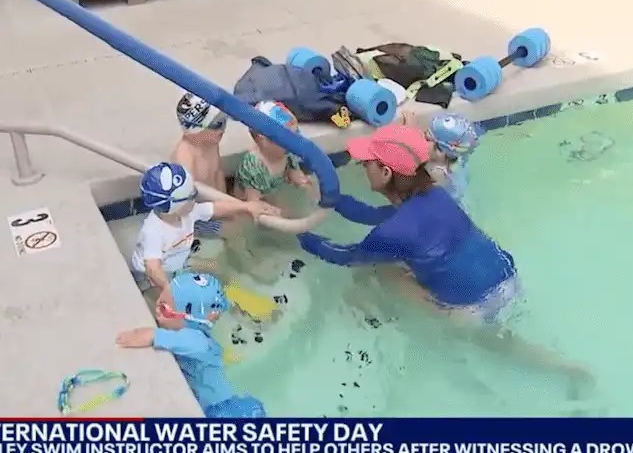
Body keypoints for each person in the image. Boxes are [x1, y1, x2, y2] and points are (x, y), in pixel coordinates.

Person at [295, 124, 591, 385]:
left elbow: (343, 256)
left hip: (471, 309)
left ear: (385, 172)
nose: (362, 167)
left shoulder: (392, 233)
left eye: (367, 163)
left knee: (380, 272)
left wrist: (298, 234)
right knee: (499, 337)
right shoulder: (436, 195)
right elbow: (372, 214)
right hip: (506, 277)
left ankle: (560, 367)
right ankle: (565, 367)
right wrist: (325, 197)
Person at [116, 272, 266, 418]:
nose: (157, 309)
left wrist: (155, 335)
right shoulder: (192, 330)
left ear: (190, 319)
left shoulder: (197, 340)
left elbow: (193, 343)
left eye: (165, 309)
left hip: (221, 409)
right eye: (160, 300)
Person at [131, 162, 279, 309]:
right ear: (174, 206)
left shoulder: (188, 211)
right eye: (191, 195)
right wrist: (170, 290)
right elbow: (152, 269)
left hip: (178, 263)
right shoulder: (154, 231)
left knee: (217, 268)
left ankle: (232, 298)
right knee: (173, 309)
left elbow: (216, 208)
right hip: (152, 279)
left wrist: (246, 206)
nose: (195, 198)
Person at [228, 101, 317, 282]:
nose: (292, 143)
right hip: (245, 208)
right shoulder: (254, 164)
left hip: (269, 194)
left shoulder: (286, 152)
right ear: (262, 139)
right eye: (287, 139)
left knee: (290, 223)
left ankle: (278, 242)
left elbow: (296, 174)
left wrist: (308, 187)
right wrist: (275, 214)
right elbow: (254, 205)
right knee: (238, 238)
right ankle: (248, 264)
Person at [171, 92, 230, 237]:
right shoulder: (185, 156)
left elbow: (218, 173)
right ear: (195, 129)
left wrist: (228, 207)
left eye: (224, 120)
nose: (223, 129)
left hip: (216, 209)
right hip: (197, 220)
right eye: (217, 124)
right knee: (237, 230)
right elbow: (185, 207)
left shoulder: (210, 143)